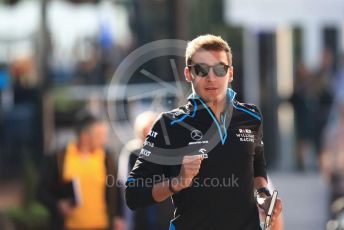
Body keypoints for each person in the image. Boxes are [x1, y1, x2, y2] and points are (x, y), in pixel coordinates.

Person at [125, 34, 282, 229]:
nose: (211, 78)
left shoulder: (251, 116)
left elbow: (257, 164)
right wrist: (178, 182)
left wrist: (263, 195)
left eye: (220, 69)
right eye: (201, 70)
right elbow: (133, 195)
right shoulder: (168, 125)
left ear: (230, 73)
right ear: (188, 73)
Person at [38, 111, 125, 230]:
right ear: (84, 136)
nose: (104, 140)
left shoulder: (107, 158)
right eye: (99, 135)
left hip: (102, 226)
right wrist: (58, 205)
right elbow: (41, 191)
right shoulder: (60, 158)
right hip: (69, 226)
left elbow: (116, 189)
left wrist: (118, 217)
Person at [118, 111, 174, 230]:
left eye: (152, 128)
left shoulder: (168, 151)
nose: (149, 132)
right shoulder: (132, 152)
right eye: (146, 129)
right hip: (142, 212)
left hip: (165, 212)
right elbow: (123, 183)